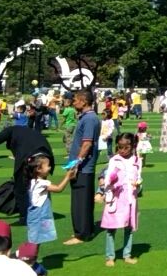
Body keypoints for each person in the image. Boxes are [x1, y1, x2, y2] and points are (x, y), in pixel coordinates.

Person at [0, 125, 54, 225]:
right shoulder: (27, 131)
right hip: (46, 157)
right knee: (41, 187)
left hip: (30, 157)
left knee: (20, 189)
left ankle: (25, 218)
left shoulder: (10, 130)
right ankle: (43, 214)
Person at [64, 91, 101, 245]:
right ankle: (85, 230)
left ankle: (82, 233)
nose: (74, 102)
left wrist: (76, 163)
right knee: (81, 200)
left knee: (81, 201)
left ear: (84, 101)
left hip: (83, 167)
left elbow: (87, 143)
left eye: (76, 100)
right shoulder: (87, 118)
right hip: (82, 166)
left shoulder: (90, 119)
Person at [100, 133, 141, 267]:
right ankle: (110, 256)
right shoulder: (114, 160)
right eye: (120, 147)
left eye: (126, 147)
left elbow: (139, 177)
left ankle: (127, 255)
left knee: (129, 227)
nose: (122, 150)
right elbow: (107, 179)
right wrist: (111, 181)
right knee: (111, 228)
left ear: (132, 146)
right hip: (116, 198)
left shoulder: (136, 160)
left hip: (130, 198)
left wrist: (138, 184)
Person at [25, 154, 75, 245]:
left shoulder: (33, 181)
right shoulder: (41, 183)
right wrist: (67, 177)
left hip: (35, 215)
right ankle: (28, 257)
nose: (50, 168)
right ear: (39, 169)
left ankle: (32, 258)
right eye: (48, 166)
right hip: (38, 215)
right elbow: (58, 188)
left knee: (36, 239)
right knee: (34, 241)